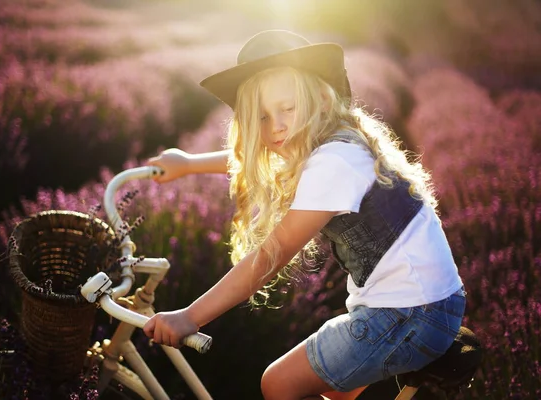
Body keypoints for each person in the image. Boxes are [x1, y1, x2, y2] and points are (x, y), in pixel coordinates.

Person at [143, 30, 465, 400]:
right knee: (336, 392)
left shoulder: (334, 162)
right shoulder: (333, 138)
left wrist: (190, 316)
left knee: (279, 383)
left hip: (409, 315)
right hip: (428, 305)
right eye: (262, 117)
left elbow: (273, 254)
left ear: (321, 101)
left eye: (288, 108)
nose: (276, 125)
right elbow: (255, 157)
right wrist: (187, 164)